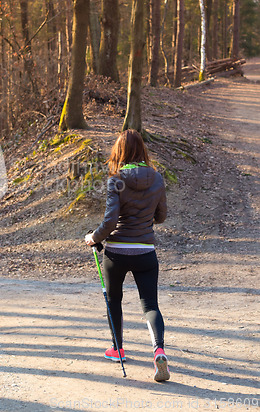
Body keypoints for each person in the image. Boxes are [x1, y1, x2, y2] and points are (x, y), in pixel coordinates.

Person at [85, 129, 169, 382]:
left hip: (116, 253)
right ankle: (159, 352)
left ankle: (117, 349)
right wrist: (145, 218)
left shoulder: (116, 180)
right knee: (150, 305)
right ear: (142, 150)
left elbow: (110, 221)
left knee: (114, 300)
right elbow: (161, 216)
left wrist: (93, 238)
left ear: (120, 152)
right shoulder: (157, 178)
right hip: (145, 251)